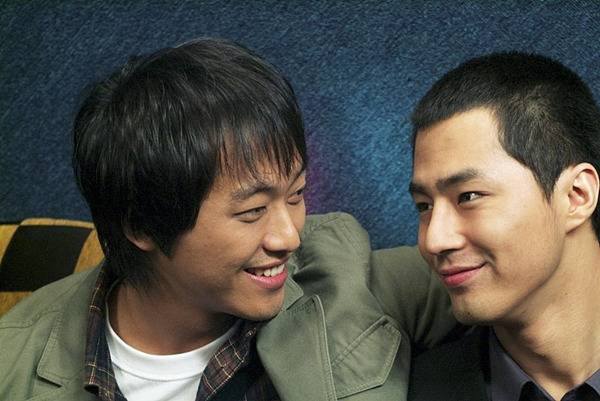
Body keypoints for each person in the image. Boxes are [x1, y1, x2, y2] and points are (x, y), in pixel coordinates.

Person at [0, 38, 454, 401]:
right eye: (252, 211)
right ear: (142, 225)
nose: (289, 236)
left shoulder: (345, 276)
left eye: (296, 195)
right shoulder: (14, 360)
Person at [406, 51, 600, 401]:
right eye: (424, 206)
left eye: (468, 196)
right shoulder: (412, 390)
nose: (434, 240)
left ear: (576, 196)